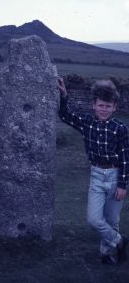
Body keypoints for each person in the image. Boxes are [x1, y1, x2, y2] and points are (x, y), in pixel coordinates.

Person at [58, 78, 129, 265]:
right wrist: (64, 95)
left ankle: (106, 254)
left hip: (115, 177)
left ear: (114, 107)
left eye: (108, 106)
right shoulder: (87, 123)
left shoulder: (121, 129)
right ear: (94, 105)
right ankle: (120, 241)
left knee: (112, 219)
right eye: (100, 105)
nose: (104, 109)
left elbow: (125, 158)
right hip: (97, 176)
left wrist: (123, 185)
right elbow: (65, 115)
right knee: (94, 219)